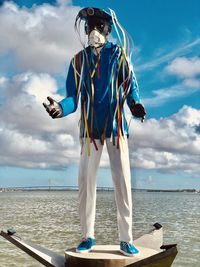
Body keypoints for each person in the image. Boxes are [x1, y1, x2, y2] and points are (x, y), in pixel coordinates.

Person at [43, 7, 146, 257]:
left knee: (122, 184)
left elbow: (130, 86)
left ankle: (126, 239)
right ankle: (87, 236)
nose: (93, 32)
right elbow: (72, 97)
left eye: (99, 27)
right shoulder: (78, 60)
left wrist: (136, 105)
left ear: (108, 31)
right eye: (90, 28)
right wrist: (60, 107)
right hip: (89, 131)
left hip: (116, 128)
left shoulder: (119, 55)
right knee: (85, 184)